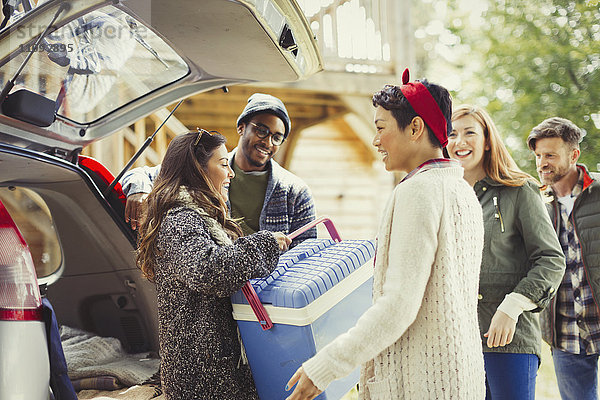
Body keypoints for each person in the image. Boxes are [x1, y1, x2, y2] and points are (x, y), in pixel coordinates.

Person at [285, 70, 486, 400]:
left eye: (381, 128)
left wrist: (325, 366)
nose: (375, 140)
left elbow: (399, 305)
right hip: (459, 378)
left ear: (415, 128)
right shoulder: (461, 190)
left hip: (422, 385)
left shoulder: (418, 191)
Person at [136, 130, 291, 399]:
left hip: (216, 367)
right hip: (201, 376)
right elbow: (209, 271)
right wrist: (264, 244)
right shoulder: (179, 220)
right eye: (223, 164)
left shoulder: (201, 217)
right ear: (197, 168)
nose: (230, 173)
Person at [447, 105, 565, 399]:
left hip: (509, 341)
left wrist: (512, 306)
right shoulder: (445, 195)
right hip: (457, 341)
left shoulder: (519, 189)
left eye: (469, 133)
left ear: (487, 140)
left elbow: (550, 260)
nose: (459, 142)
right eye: (452, 134)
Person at [121, 93, 316, 247]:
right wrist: (138, 189)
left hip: (272, 294)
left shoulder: (295, 191)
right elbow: (141, 174)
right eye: (262, 131)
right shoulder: (208, 170)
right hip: (219, 285)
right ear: (242, 127)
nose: (267, 142)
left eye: (277, 137)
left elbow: (307, 252)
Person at [527, 117, 600, 400]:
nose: (542, 163)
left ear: (574, 155)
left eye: (551, 155)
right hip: (565, 329)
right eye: (538, 156)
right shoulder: (534, 204)